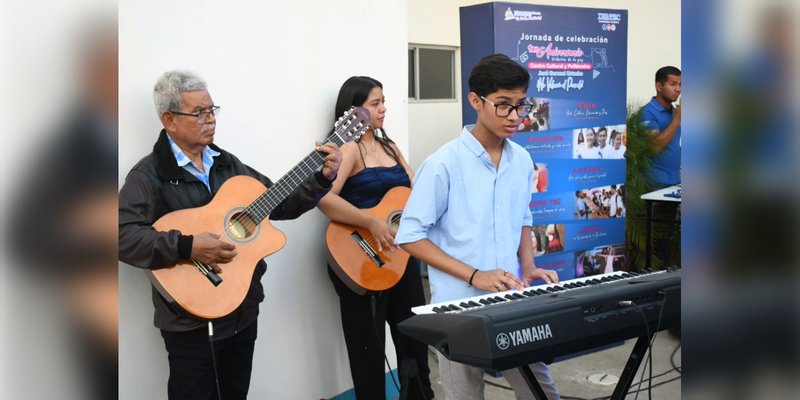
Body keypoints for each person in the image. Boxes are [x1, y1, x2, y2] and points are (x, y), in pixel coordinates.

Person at [118, 70, 341, 400]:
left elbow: (279, 202)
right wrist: (187, 246)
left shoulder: (227, 164)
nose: (210, 120)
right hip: (189, 323)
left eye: (212, 110)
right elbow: (123, 236)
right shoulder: (148, 175)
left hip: (242, 310)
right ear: (169, 119)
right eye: (199, 113)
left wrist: (321, 179)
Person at [396, 54, 560, 400]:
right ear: (475, 101)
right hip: (458, 310)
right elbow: (409, 236)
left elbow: (523, 218)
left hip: (512, 297)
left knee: (541, 391)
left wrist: (528, 266)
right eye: (503, 105)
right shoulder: (442, 164)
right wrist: (475, 275)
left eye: (520, 105)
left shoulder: (521, 159)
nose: (515, 116)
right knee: (464, 395)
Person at [317, 76, 435, 400]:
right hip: (363, 261)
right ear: (354, 111)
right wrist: (372, 222)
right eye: (375, 103)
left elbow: (418, 192)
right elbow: (324, 199)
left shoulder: (389, 146)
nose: (383, 109)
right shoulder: (346, 150)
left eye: (384, 101)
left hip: (400, 259)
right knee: (368, 354)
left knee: (415, 342)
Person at [640, 66, 681, 187]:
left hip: (675, 181)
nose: (678, 89)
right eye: (673, 84)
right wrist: (677, 120)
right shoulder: (647, 112)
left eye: (680, 84)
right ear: (659, 86)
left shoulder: (675, 112)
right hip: (655, 184)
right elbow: (653, 147)